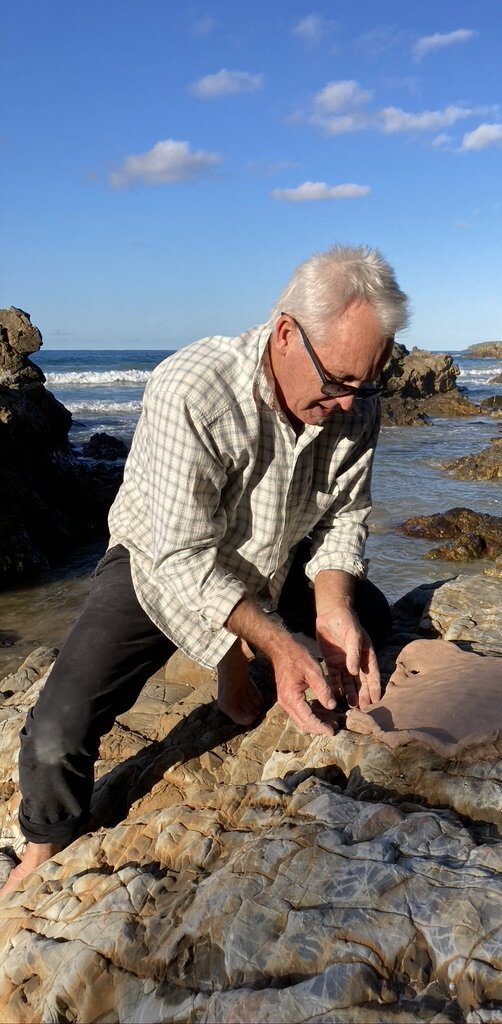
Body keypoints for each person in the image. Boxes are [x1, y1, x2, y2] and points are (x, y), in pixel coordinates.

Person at [1, 244, 409, 895]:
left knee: (373, 620)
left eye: (368, 383)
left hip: (275, 553)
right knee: (58, 724)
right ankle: (45, 844)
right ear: (284, 334)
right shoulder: (192, 388)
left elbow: (342, 516)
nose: (348, 404)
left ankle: (254, 642)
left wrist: (332, 610)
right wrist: (269, 646)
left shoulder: (354, 397)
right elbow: (184, 556)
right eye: (336, 383)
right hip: (158, 558)